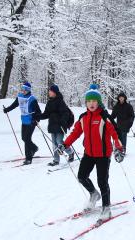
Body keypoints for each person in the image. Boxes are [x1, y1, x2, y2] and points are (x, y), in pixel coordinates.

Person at [58, 84, 124, 221]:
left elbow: (115, 134)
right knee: (81, 176)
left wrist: (119, 148)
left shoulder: (104, 117)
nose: (91, 103)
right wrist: (64, 144)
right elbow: (75, 133)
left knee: (102, 181)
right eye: (88, 101)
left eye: (94, 101)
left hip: (103, 155)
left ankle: (106, 208)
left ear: (98, 102)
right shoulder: (83, 117)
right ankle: (94, 194)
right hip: (89, 153)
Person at [3, 82, 41, 165]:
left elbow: (38, 112)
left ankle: (28, 158)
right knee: (24, 138)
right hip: (24, 121)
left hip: (31, 121)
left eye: (25, 90)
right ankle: (34, 148)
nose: (23, 91)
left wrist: (36, 120)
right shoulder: (20, 96)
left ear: (28, 90)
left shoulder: (32, 99)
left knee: (27, 139)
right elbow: (15, 105)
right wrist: (7, 109)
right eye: (22, 89)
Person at [38, 84, 74, 166]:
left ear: (54, 92)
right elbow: (46, 114)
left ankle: (71, 152)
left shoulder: (60, 101)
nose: (49, 92)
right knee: (54, 143)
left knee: (59, 142)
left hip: (60, 125)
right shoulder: (49, 102)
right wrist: (38, 117)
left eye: (50, 91)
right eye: (49, 91)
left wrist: (62, 121)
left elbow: (65, 113)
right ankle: (56, 160)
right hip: (52, 125)